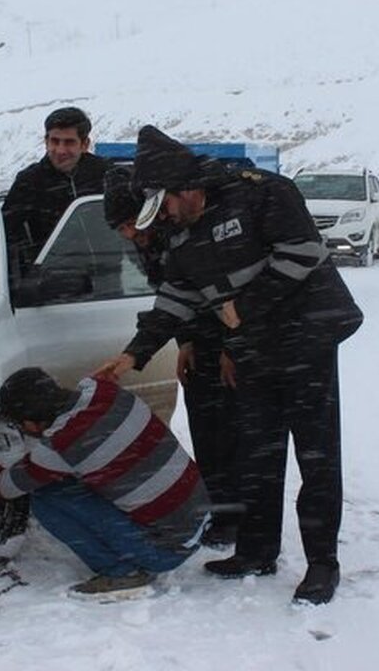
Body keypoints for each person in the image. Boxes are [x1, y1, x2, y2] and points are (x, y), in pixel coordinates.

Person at [94, 125, 363, 606]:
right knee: (257, 455)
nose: (165, 217)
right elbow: (175, 297)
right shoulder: (179, 234)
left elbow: (301, 253)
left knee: (316, 457)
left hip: (306, 340)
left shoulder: (264, 195)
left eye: (168, 204)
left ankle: (323, 564)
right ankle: (257, 551)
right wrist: (134, 354)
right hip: (255, 348)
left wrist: (245, 307)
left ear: (188, 189)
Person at [103, 165, 241, 548]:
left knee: (235, 435)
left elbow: (228, 294)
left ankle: (241, 520)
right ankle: (220, 512)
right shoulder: (147, 243)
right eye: (121, 229)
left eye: (133, 222)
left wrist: (234, 347)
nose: (130, 234)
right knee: (206, 432)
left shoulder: (188, 233)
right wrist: (185, 341)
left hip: (234, 338)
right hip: (196, 339)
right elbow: (171, 298)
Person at [0, 367, 211, 601]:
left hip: (166, 551)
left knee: (45, 497)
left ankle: (121, 574)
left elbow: (6, 487)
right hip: (198, 518)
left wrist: (2, 458)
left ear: (31, 424)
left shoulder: (62, 445)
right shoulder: (106, 392)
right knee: (84, 475)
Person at [2, 106, 110, 275]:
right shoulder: (29, 181)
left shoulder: (105, 173)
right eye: (55, 141)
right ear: (46, 141)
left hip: (109, 275)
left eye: (69, 142)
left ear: (85, 144)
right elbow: (7, 235)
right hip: (53, 282)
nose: (60, 150)